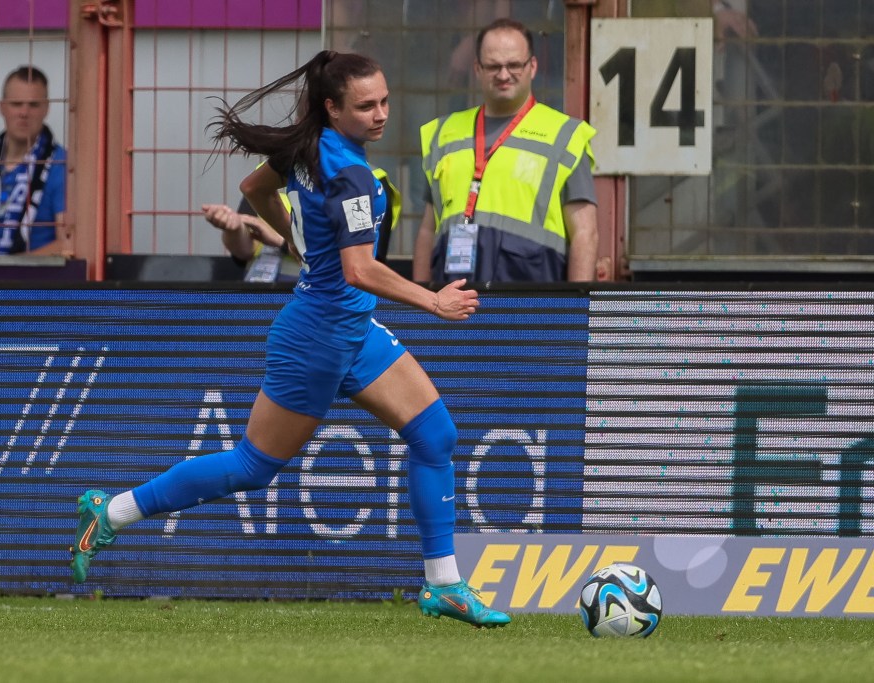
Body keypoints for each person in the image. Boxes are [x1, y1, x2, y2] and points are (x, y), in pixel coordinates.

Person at [69, 50, 510, 628]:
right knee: (253, 466)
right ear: (332, 108)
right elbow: (359, 270)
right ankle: (114, 511)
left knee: (435, 435)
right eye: (365, 106)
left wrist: (299, 243)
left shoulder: (308, 146)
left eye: (384, 101)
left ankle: (444, 585)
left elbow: (255, 187)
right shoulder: (350, 172)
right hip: (318, 337)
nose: (380, 114)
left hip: (350, 327)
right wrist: (434, 301)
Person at [412, 18, 599, 284]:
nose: (503, 75)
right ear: (477, 68)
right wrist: (422, 305)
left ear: (532, 67)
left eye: (513, 65)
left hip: (532, 304)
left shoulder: (564, 135)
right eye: (493, 66)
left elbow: (585, 232)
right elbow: (428, 230)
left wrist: (575, 311)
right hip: (452, 303)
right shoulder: (444, 133)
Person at [203, 167, 401, 282]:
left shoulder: (369, 181)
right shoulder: (271, 171)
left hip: (327, 303)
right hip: (262, 296)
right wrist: (234, 228)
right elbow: (243, 251)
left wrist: (283, 240)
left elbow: (365, 265)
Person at [0, 65, 67, 255]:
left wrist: (14, 269)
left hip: (33, 281)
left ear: (46, 108)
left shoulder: (62, 164)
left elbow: (68, 245)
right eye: (16, 104)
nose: (24, 113)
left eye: (33, 105)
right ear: (2, 107)